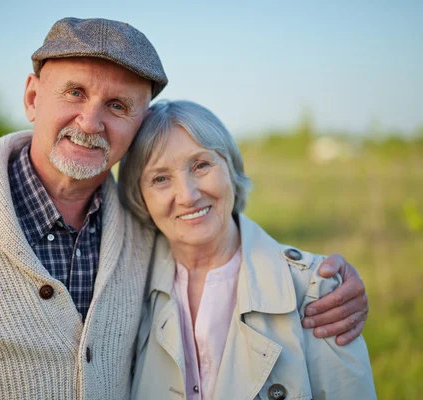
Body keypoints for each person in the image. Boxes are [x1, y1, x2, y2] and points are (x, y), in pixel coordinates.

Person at [0, 18, 369, 399]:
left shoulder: (142, 230)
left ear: (139, 123)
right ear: (32, 97)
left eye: (117, 105)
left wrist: (328, 280)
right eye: (74, 92)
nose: (90, 122)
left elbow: (220, 251)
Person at [119, 100, 376, 399]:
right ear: (140, 196)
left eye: (201, 165)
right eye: (160, 178)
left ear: (230, 167)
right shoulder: (127, 290)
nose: (187, 196)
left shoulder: (316, 290)